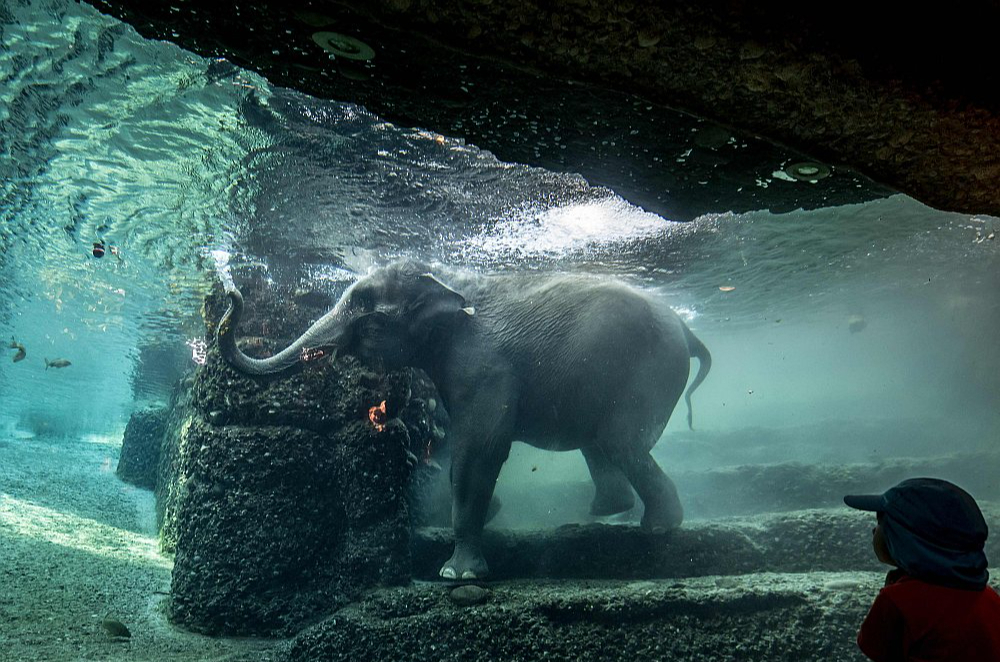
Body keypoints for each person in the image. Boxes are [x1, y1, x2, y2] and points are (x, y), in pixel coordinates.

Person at [844, 477, 1000, 661]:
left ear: (905, 539)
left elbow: (878, 651)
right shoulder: (990, 598)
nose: (874, 530)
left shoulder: (896, 601)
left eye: (881, 522)